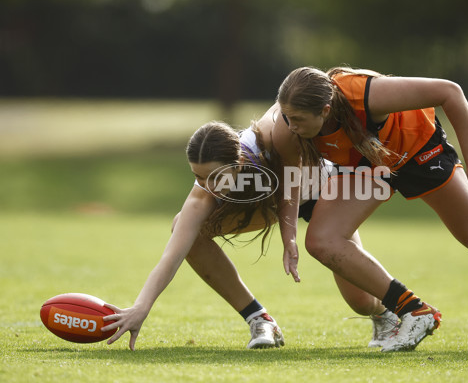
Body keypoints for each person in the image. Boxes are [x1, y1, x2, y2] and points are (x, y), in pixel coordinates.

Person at [271, 65, 468, 352]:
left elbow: (448, 92)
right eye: (287, 117)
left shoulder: (366, 95)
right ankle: (412, 312)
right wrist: (289, 238)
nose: (290, 125)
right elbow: (292, 179)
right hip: (365, 166)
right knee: (326, 250)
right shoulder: (289, 127)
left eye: (298, 119)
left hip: (419, 152)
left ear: (326, 110)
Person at [101, 118, 400, 351]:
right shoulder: (204, 192)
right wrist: (141, 307)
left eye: (215, 176)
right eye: (198, 176)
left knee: (360, 302)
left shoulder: (271, 142)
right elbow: (171, 256)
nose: (208, 185)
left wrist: (291, 238)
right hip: (272, 203)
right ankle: (259, 319)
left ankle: (388, 314)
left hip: (323, 192)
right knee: (184, 227)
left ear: (239, 163)